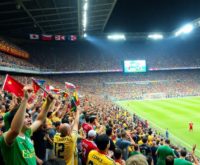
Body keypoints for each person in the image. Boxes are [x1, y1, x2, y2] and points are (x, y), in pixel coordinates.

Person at [0, 85, 54, 165]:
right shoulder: (8, 137)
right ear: (16, 119)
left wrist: (48, 103)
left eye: (29, 116)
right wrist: (25, 99)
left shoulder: (27, 132)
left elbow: (39, 120)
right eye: (25, 117)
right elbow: (15, 130)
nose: (29, 119)